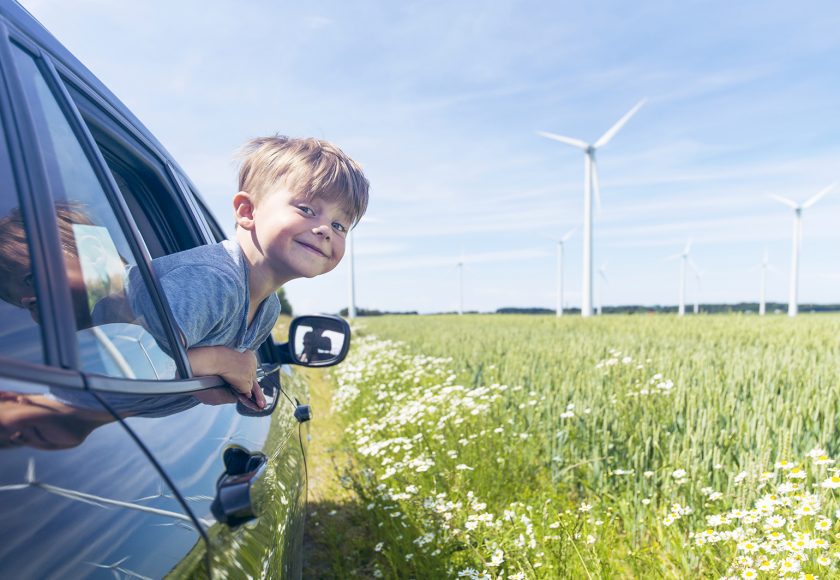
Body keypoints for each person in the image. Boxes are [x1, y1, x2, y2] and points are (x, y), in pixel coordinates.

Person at [128, 135, 369, 408]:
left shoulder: (268, 310)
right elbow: (136, 366)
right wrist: (227, 361)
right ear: (247, 211)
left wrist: (238, 380)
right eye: (306, 209)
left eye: (339, 226)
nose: (325, 229)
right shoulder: (214, 281)